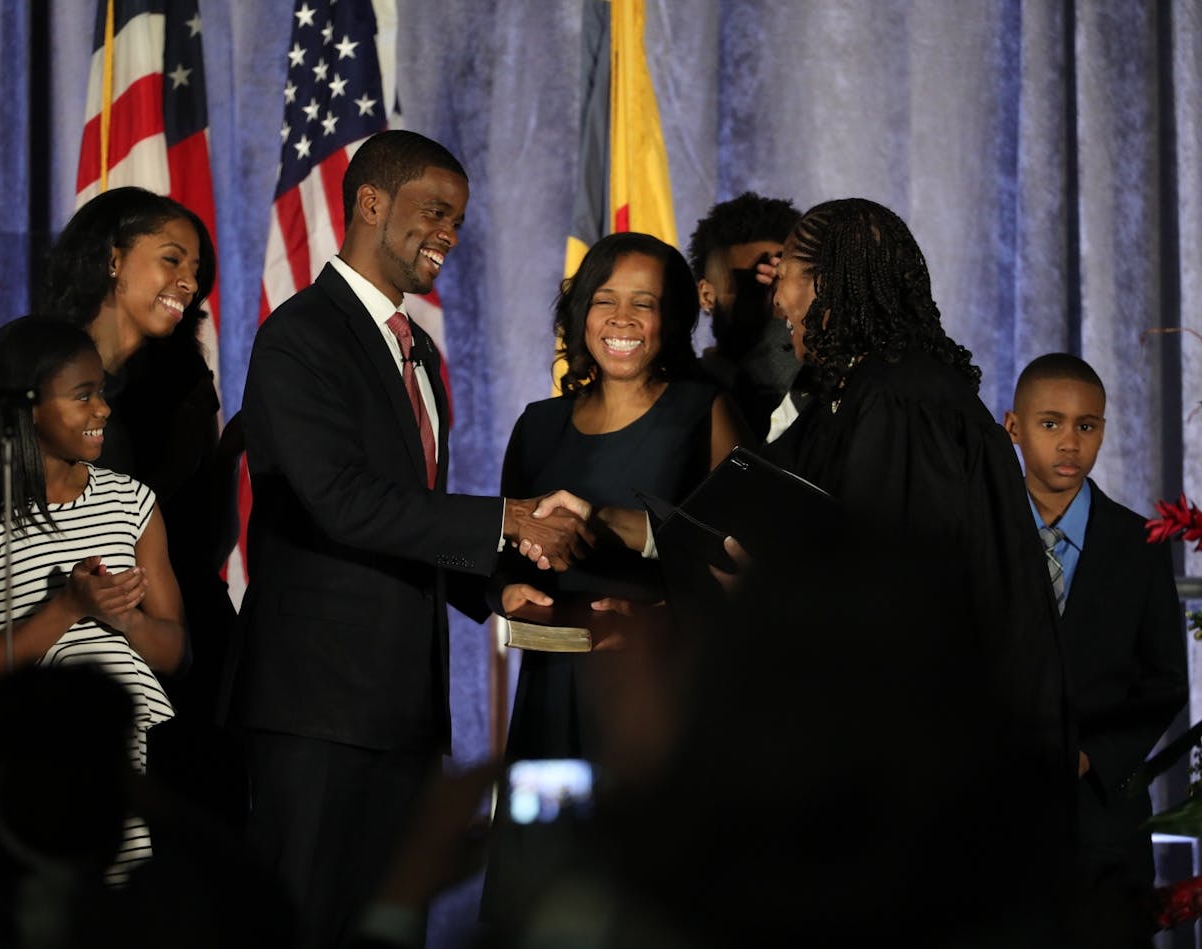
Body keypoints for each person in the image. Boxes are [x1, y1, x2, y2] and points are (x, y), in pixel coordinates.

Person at [233, 129, 593, 947]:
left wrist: (495, 584)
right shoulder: (300, 336)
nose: (450, 236)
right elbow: (344, 503)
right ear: (369, 203)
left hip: (404, 706)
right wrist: (509, 519)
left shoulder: (418, 351)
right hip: (319, 705)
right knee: (305, 922)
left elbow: (410, 515)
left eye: (458, 221)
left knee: (390, 927)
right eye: (436, 212)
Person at [729, 198, 1073, 941]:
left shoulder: (897, 399)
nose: (777, 295)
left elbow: (887, 595)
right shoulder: (855, 392)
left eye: (786, 273)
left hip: (930, 785)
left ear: (827, 282)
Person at [480, 231, 744, 924]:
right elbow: (500, 554)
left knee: (645, 896)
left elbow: (744, 564)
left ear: (674, 320)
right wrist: (505, 591)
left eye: (645, 303)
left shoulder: (703, 412)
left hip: (656, 696)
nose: (622, 319)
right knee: (544, 893)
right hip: (551, 697)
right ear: (579, 314)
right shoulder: (536, 427)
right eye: (605, 301)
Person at [0, 316, 186, 885]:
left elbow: (175, 652)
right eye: (83, 395)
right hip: (26, 769)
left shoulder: (131, 502)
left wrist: (122, 616)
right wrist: (69, 607)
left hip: (129, 768)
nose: (102, 409)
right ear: (25, 408)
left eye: (102, 391)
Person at [1004, 353, 1187, 947]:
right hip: (994, 814)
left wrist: (1092, 756)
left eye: (1087, 426)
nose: (1070, 443)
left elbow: (1163, 683)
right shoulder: (978, 533)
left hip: (1103, 823)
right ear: (1014, 427)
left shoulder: (1138, 547)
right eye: (1050, 423)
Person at [38, 186, 234, 728]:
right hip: (63, 639)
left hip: (186, 636)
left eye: (196, 269)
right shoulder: (31, 370)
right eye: (172, 259)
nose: (190, 283)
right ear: (112, 258)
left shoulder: (189, 382)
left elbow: (212, 526)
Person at [687, 192, 804, 442]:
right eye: (754, 286)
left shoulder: (823, 383)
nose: (776, 300)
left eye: (783, 283)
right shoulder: (684, 388)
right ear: (707, 295)